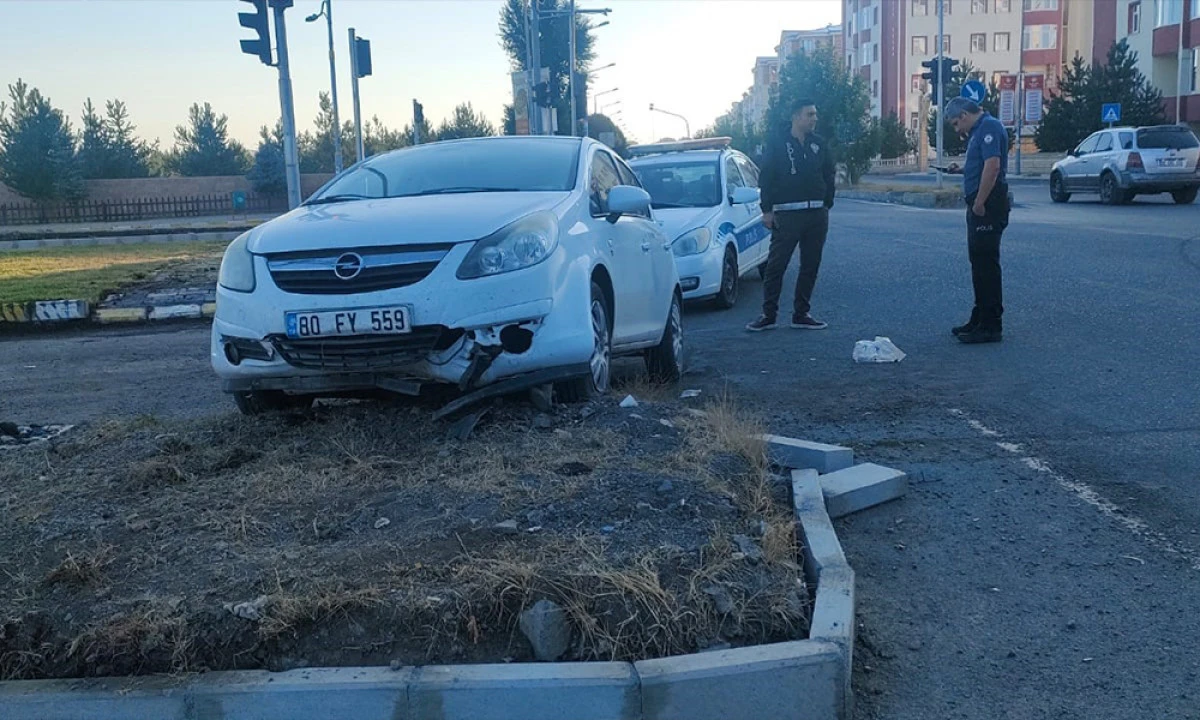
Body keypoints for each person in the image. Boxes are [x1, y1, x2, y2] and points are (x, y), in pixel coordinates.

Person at [746, 98, 835, 332]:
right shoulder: (777, 143)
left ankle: (801, 313)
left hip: (816, 213)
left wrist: (827, 203)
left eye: (815, 114)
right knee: (776, 265)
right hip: (787, 214)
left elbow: (829, 173)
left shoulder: (819, 143)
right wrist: (766, 210)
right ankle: (768, 314)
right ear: (797, 117)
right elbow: (766, 176)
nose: (814, 118)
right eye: (810, 114)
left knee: (811, 265)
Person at [944, 97, 1010, 344]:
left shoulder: (989, 127)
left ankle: (991, 325)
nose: (957, 129)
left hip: (989, 204)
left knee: (986, 265)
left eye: (954, 123)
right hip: (981, 202)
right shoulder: (980, 130)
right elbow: (982, 164)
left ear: (963, 114)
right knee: (978, 262)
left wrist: (980, 202)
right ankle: (979, 317)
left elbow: (993, 167)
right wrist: (962, 170)